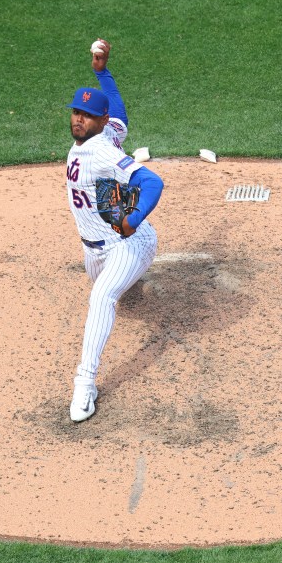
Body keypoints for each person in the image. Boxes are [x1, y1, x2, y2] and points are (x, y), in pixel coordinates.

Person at [64, 38, 164, 423]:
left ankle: (84, 384)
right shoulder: (107, 131)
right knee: (106, 282)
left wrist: (132, 220)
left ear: (98, 123)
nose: (78, 119)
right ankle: (130, 280)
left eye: (87, 115)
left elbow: (152, 182)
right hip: (95, 252)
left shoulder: (102, 150)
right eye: (76, 112)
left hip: (129, 241)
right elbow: (118, 109)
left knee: (102, 297)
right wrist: (101, 72)